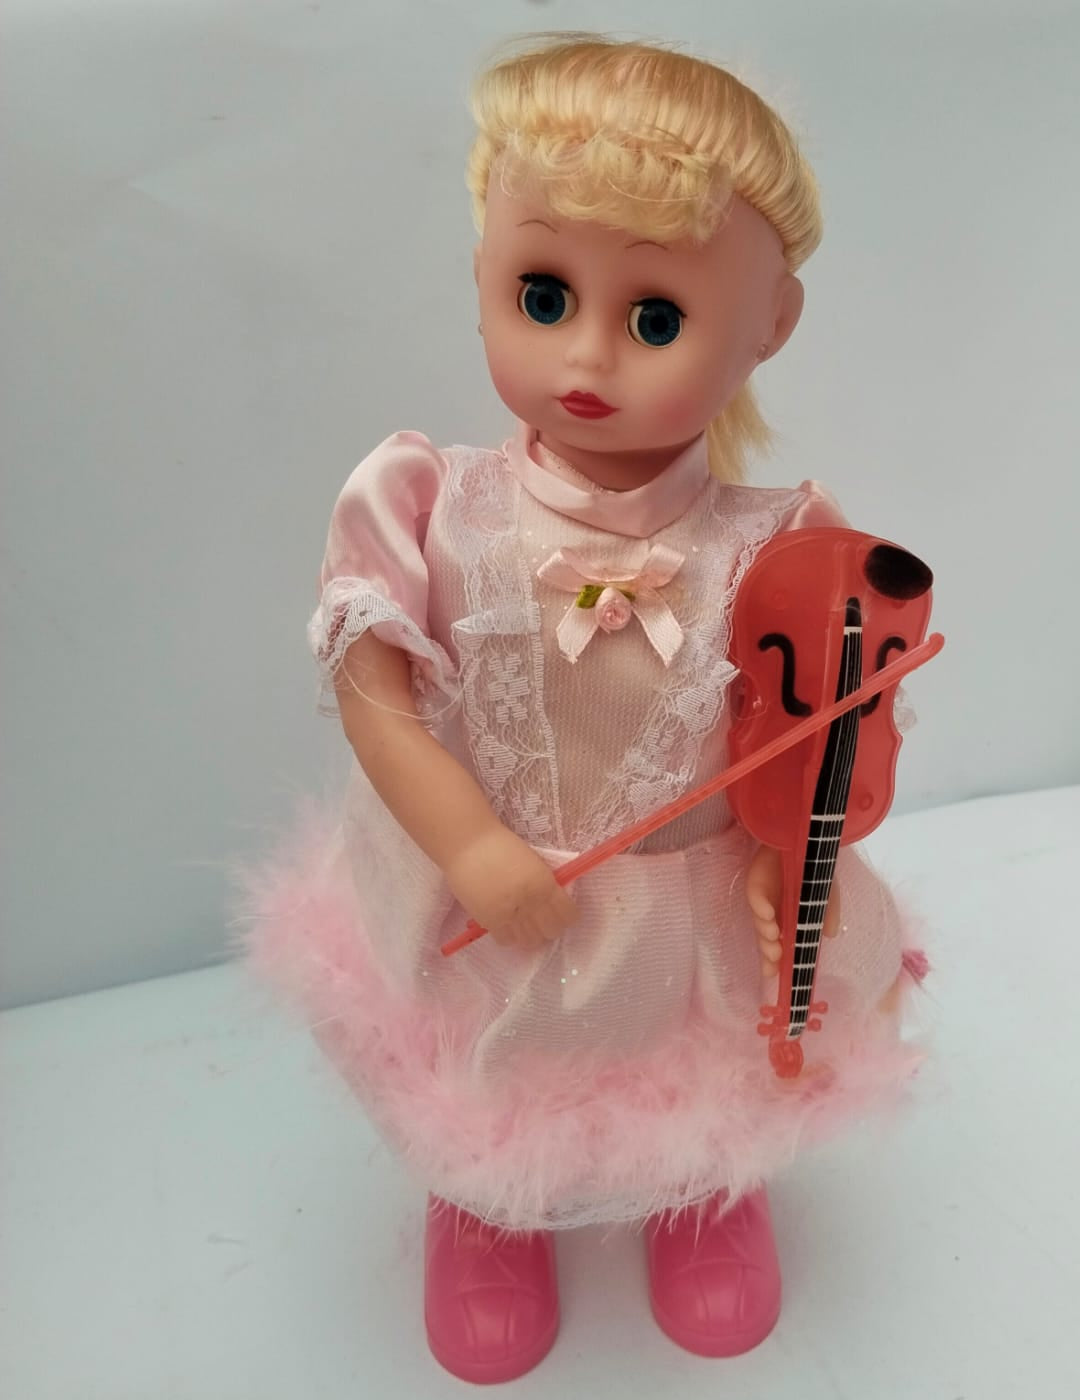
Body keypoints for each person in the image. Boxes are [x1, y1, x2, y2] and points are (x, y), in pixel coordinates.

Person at [244, 34, 927, 1384]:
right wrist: (467, 842)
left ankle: (704, 1187)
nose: (590, 354)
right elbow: (376, 699)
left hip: (691, 899)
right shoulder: (425, 502)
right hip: (494, 879)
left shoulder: (784, 534)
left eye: (657, 317)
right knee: (486, 1056)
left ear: (771, 323)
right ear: (483, 274)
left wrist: (791, 850)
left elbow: (821, 733)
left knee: (711, 1061)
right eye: (543, 293)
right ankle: (486, 1203)